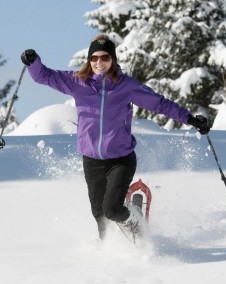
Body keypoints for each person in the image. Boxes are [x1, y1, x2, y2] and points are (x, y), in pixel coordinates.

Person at [21, 34, 209, 240]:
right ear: (89, 60)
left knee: (112, 210)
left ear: (113, 60)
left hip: (120, 158)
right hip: (91, 160)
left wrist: (190, 119)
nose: (99, 62)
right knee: (100, 217)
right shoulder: (78, 83)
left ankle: (137, 226)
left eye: (104, 58)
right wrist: (34, 63)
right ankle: (109, 257)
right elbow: (45, 76)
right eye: (94, 58)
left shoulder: (125, 86)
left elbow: (160, 104)